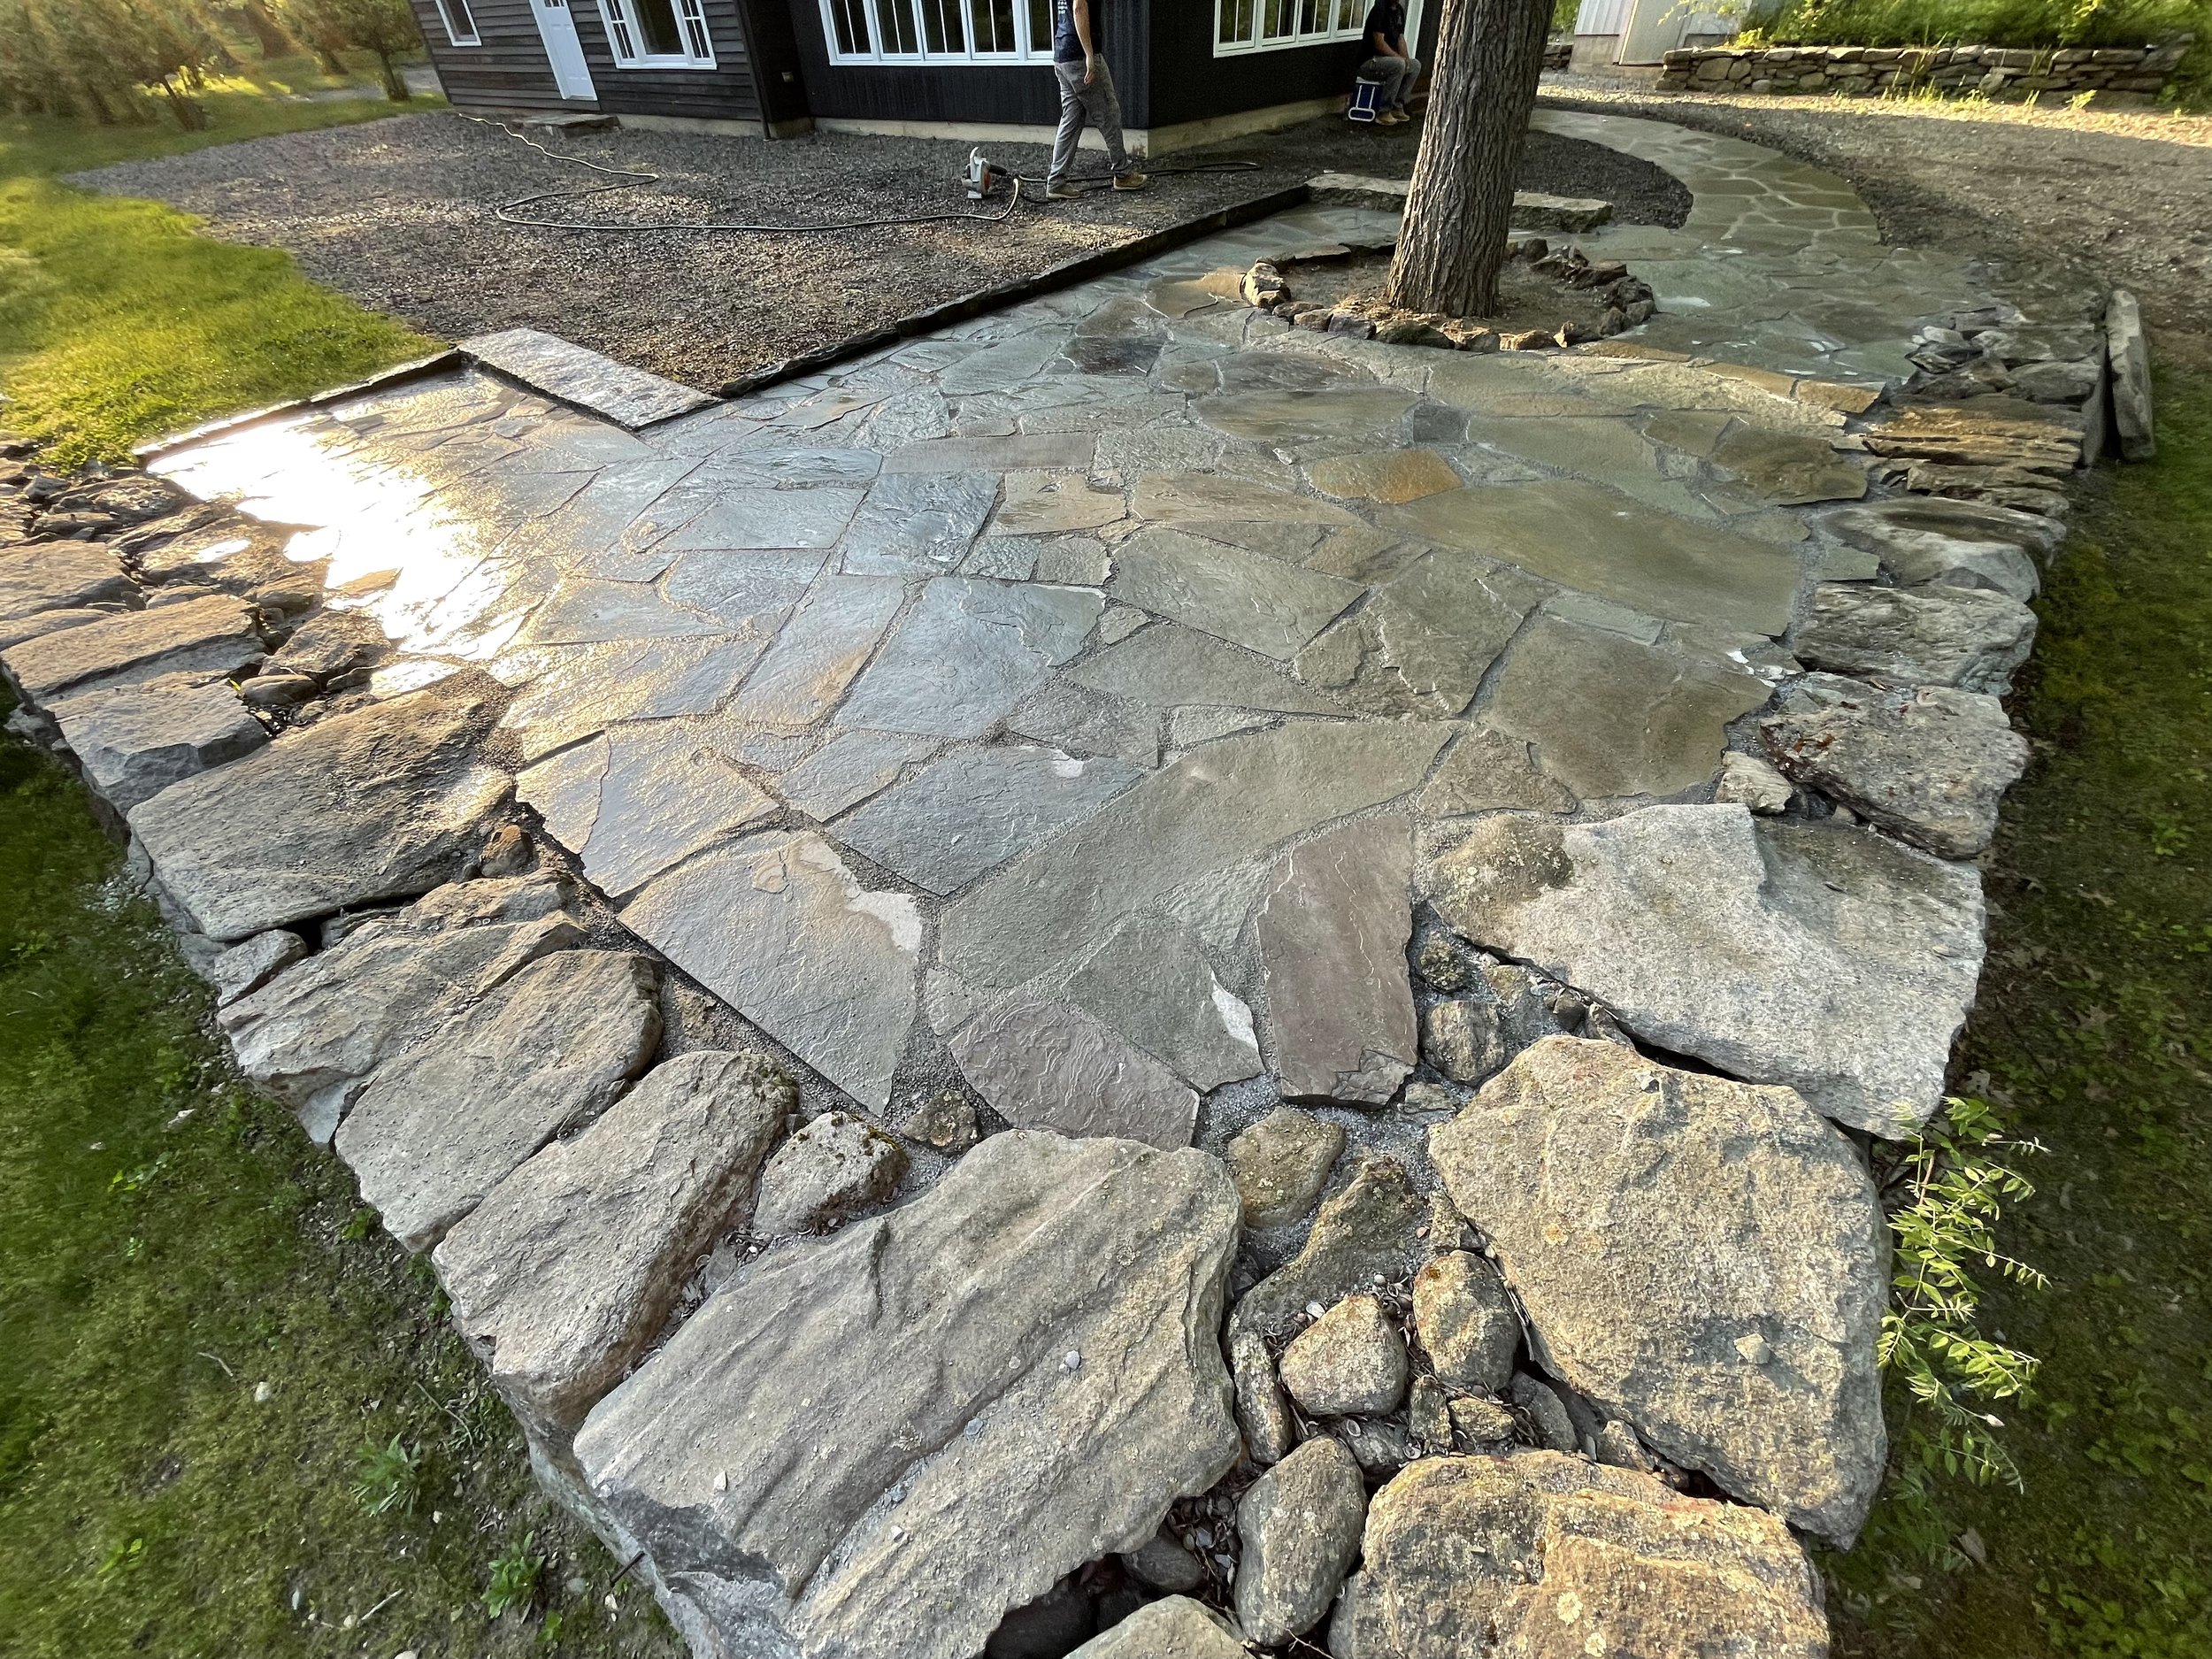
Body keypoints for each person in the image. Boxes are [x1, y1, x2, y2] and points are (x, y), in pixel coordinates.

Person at [1047, 0, 1148, 199]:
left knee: (1071, 120)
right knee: (1109, 113)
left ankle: (1056, 183)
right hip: (1079, 55)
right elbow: (1079, 7)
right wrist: (1089, 56)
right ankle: (1123, 174)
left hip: (1063, 55)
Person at [1359, 0, 1422, 125]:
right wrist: (1400, 59)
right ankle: (1383, 111)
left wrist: (1406, 60)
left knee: (1415, 65)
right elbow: (1379, 43)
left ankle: (1397, 106)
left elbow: (1400, 38)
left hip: (1388, 61)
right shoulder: (1379, 10)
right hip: (1370, 61)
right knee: (1398, 65)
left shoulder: (1399, 11)